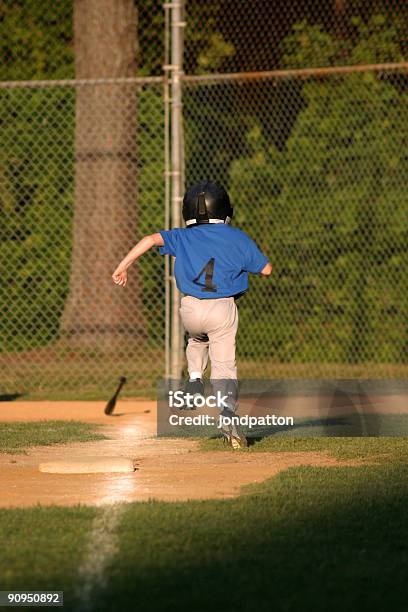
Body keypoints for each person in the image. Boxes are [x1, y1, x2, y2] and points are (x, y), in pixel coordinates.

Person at [112, 180, 272, 448]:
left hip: (190, 309)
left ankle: (195, 378)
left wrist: (123, 266)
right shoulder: (236, 236)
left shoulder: (182, 236)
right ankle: (228, 414)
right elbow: (266, 270)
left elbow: (150, 240)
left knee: (197, 339)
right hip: (221, 308)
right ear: (224, 209)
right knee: (223, 365)